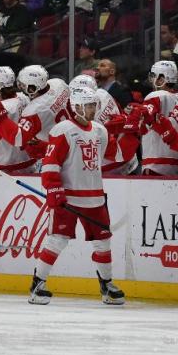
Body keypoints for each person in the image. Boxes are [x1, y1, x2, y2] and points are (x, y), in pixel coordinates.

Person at [29, 87, 126, 305]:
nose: (92, 110)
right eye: (88, 106)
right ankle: (37, 285)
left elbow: (113, 157)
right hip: (68, 199)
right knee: (57, 241)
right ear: (77, 106)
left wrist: (126, 133)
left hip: (96, 198)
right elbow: (50, 164)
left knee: (103, 242)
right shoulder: (62, 130)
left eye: (94, 105)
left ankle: (107, 286)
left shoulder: (100, 130)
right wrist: (54, 190)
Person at [0, 65, 69, 163]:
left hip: (53, 151)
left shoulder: (34, 110)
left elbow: (18, 138)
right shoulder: (58, 83)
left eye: (23, 85)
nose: (21, 89)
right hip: (69, 138)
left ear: (33, 88)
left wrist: (0, 116)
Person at [69, 74, 139, 175]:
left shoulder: (86, 115)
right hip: (129, 154)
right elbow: (121, 112)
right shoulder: (103, 93)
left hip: (111, 167)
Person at [140, 61, 178, 176]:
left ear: (161, 79)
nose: (152, 79)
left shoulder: (154, 96)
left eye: (154, 76)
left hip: (156, 163)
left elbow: (144, 121)